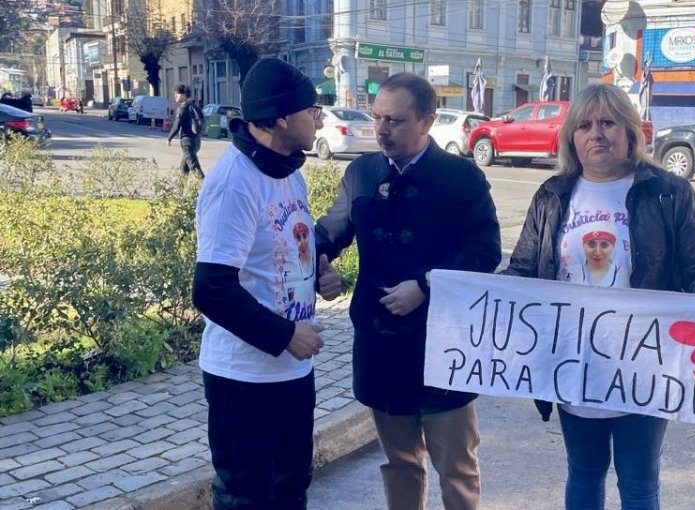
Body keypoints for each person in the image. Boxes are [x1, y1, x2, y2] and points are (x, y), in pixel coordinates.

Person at [501, 83, 695, 510]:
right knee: (584, 472)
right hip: (572, 364)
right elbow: (522, 270)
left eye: (608, 122)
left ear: (630, 132)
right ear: (571, 138)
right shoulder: (553, 195)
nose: (596, 133)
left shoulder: (669, 192)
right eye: (584, 125)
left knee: (638, 483)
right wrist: (468, 296)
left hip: (644, 365)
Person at [315, 72, 501, 510]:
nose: (381, 129)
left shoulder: (461, 178)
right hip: (382, 346)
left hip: (444, 347)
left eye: (395, 120)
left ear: (427, 122)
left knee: (456, 466)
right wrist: (314, 266)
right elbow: (330, 231)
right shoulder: (362, 171)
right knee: (399, 462)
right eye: (377, 117)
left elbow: (485, 250)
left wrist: (425, 284)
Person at [191, 57, 341, 510]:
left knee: (291, 488)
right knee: (247, 497)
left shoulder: (289, 170)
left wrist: (318, 272)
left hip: (291, 371)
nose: (319, 118)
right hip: (243, 377)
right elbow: (212, 289)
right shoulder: (235, 183)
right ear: (279, 118)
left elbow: (287, 242)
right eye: (311, 110)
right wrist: (284, 335)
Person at [167, 84, 204, 178]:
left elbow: (176, 125)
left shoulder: (182, 108)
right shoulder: (194, 106)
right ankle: (182, 190)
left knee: (194, 167)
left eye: (177, 94)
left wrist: (169, 137)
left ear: (183, 94)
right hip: (196, 140)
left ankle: (206, 188)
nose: (175, 96)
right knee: (184, 169)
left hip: (187, 141)